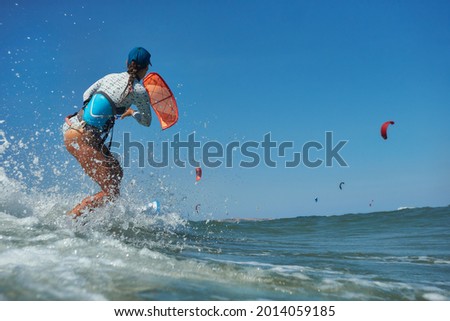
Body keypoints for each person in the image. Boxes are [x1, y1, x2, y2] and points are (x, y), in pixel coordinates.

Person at [63, 47, 153, 217]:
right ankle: (69, 220)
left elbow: (86, 95)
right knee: (110, 191)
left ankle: (87, 219)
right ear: (146, 68)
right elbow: (147, 122)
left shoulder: (110, 77)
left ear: (127, 63)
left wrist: (104, 112)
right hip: (83, 137)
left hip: (73, 126)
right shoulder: (139, 91)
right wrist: (132, 112)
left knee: (117, 172)